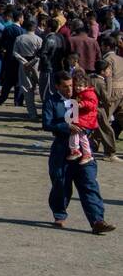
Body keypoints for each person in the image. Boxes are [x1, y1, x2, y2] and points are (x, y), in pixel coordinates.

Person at [44, 70, 114, 234]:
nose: (69, 90)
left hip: (84, 148)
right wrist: (66, 126)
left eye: (71, 86)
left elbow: (93, 113)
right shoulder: (53, 101)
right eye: (65, 87)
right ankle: (59, 213)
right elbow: (47, 123)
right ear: (57, 86)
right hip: (62, 149)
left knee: (89, 183)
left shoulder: (82, 96)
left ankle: (97, 220)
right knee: (61, 183)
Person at [67, 71, 98, 163]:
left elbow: (93, 104)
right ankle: (85, 153)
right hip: (82, 117)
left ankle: (76, 150)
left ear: (86, 85)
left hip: (86, 118)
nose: (77, 87)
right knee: (81, 135)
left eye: (80, 86)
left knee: (76, 131)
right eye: (76, 85)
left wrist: (83, 104)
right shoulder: (79, 94)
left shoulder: (89, 93)